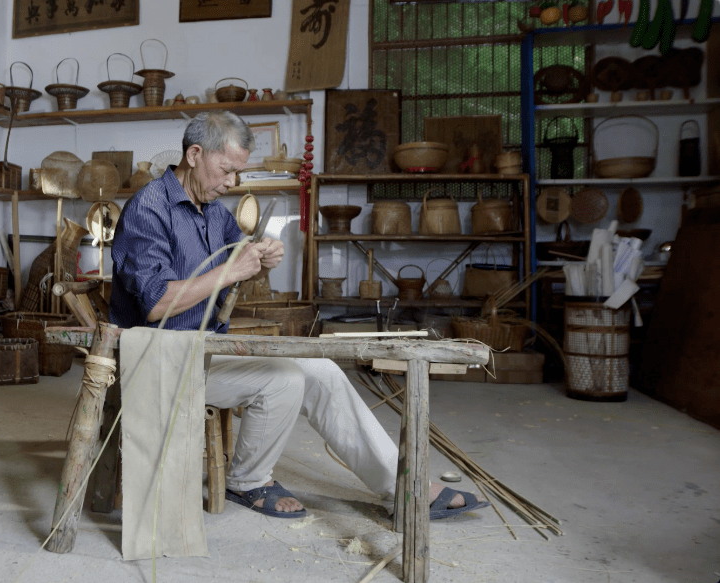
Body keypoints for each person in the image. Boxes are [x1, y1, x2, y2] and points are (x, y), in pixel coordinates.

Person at [109, 111, 486, 519]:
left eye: (238, 173)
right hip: (156, 362)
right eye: (227, 170)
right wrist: (232, 270)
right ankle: (248, 482)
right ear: (195, 154)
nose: (232, 182)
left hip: (202, 350)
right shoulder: (148, 209)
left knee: (319, 370)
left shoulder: (213, 212)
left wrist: (264, 257)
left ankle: (402, 486)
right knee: (283, 378)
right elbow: (156, 304)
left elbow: (240, 256)